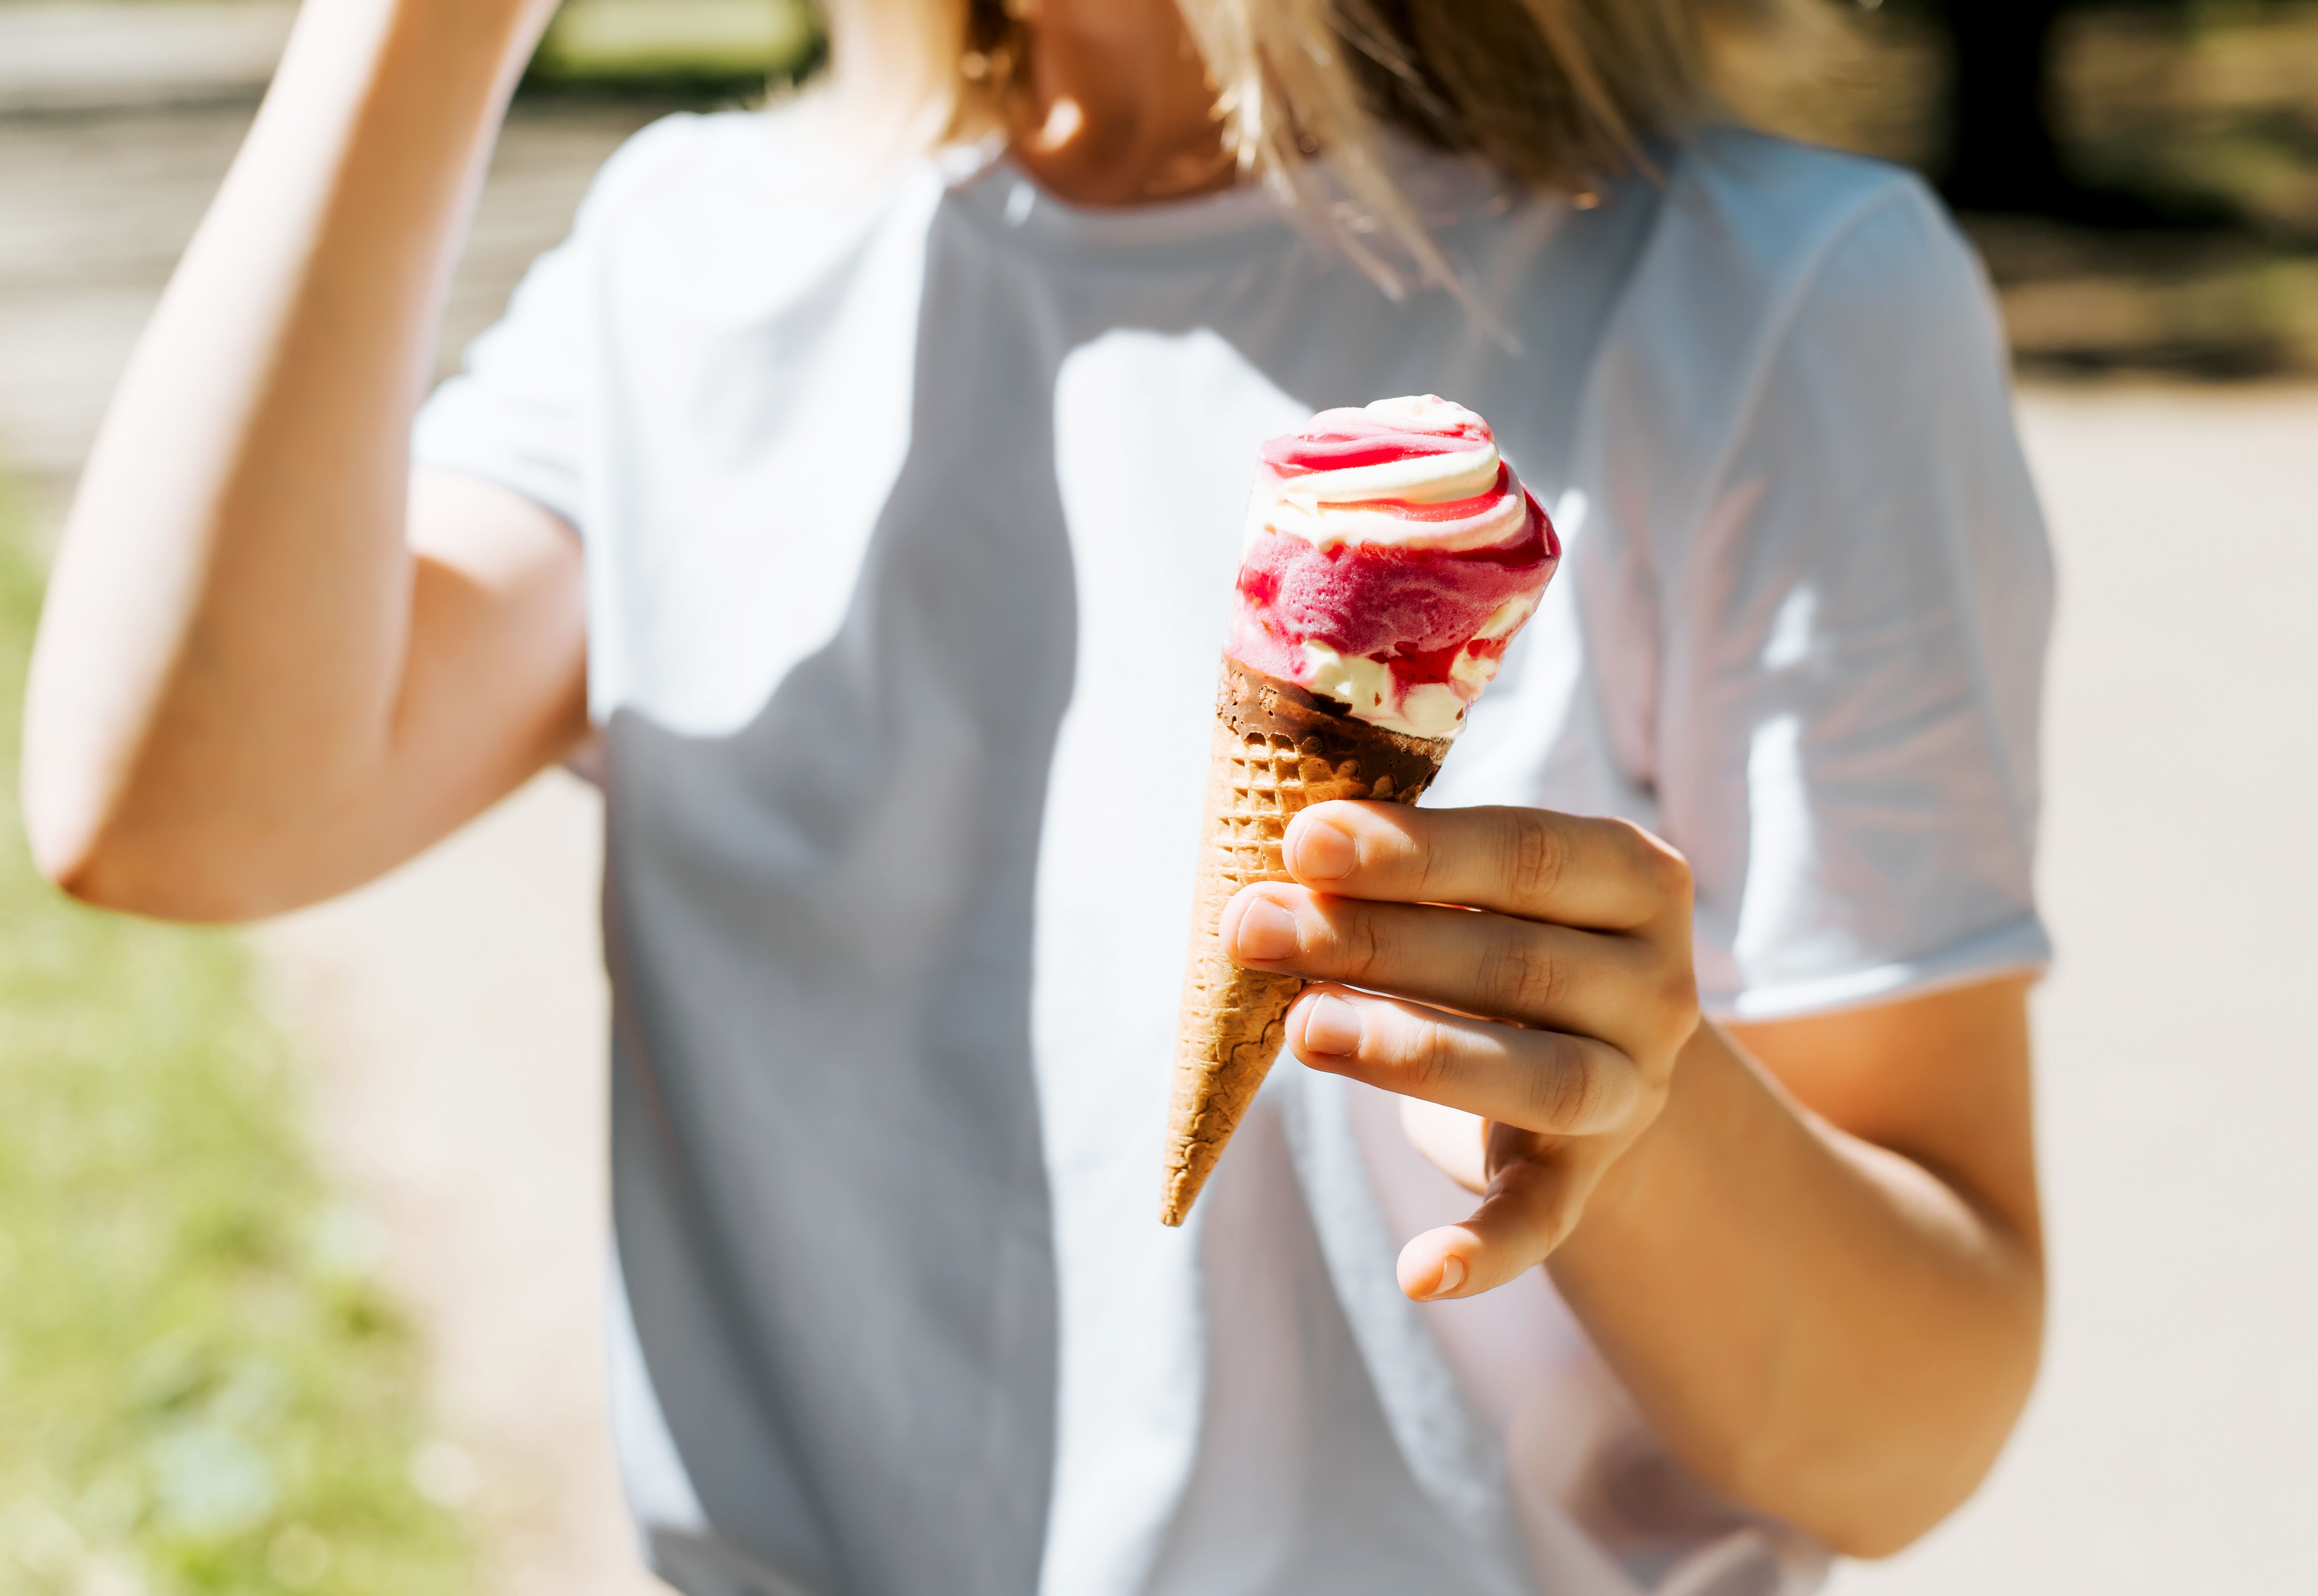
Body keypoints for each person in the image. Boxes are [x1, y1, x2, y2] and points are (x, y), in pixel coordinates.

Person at [21, 0, 2055, 1591]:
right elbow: (175, 812)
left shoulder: (1770, 296)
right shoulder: (697, 258)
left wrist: (1645, 1111)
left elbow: (1903, 1440)